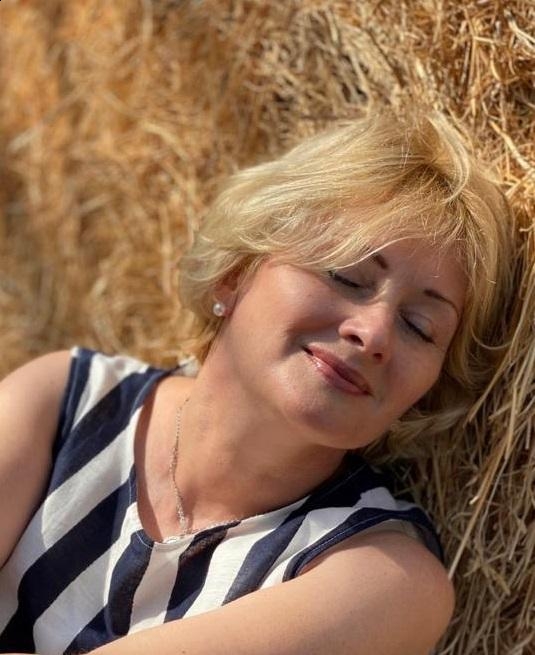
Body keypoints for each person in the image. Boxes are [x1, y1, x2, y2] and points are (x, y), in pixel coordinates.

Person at [0, 108, 515, 655]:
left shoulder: (388, 579)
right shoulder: (67, 401)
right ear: (235, 273)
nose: (374, 334)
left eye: (419, 327)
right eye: (347, 276)